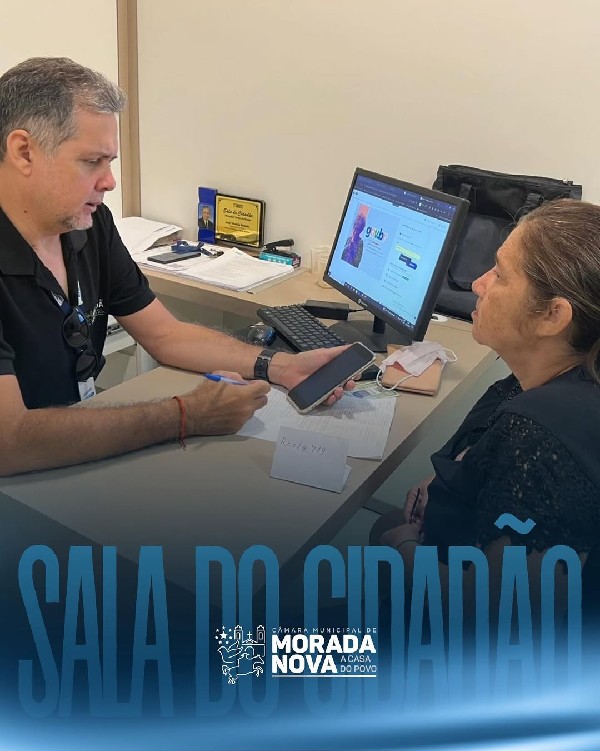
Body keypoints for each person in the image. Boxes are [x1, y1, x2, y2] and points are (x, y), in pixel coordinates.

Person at [0, 57, 352, 476]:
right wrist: (187, 415)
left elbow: (165, 334)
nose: (109, 181)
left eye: (111, 162)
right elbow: (9, 442)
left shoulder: (87, 225)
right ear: (24, 152)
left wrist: (281, 365)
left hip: (70, 459)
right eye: (92, 161)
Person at [370, 198, 600, 615]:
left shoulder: (541, 437)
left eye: (499, 273)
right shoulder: (556, 380)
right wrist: (458, 474)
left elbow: (496, 615)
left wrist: (403, 546)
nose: (478, 284)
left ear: (553, 316)